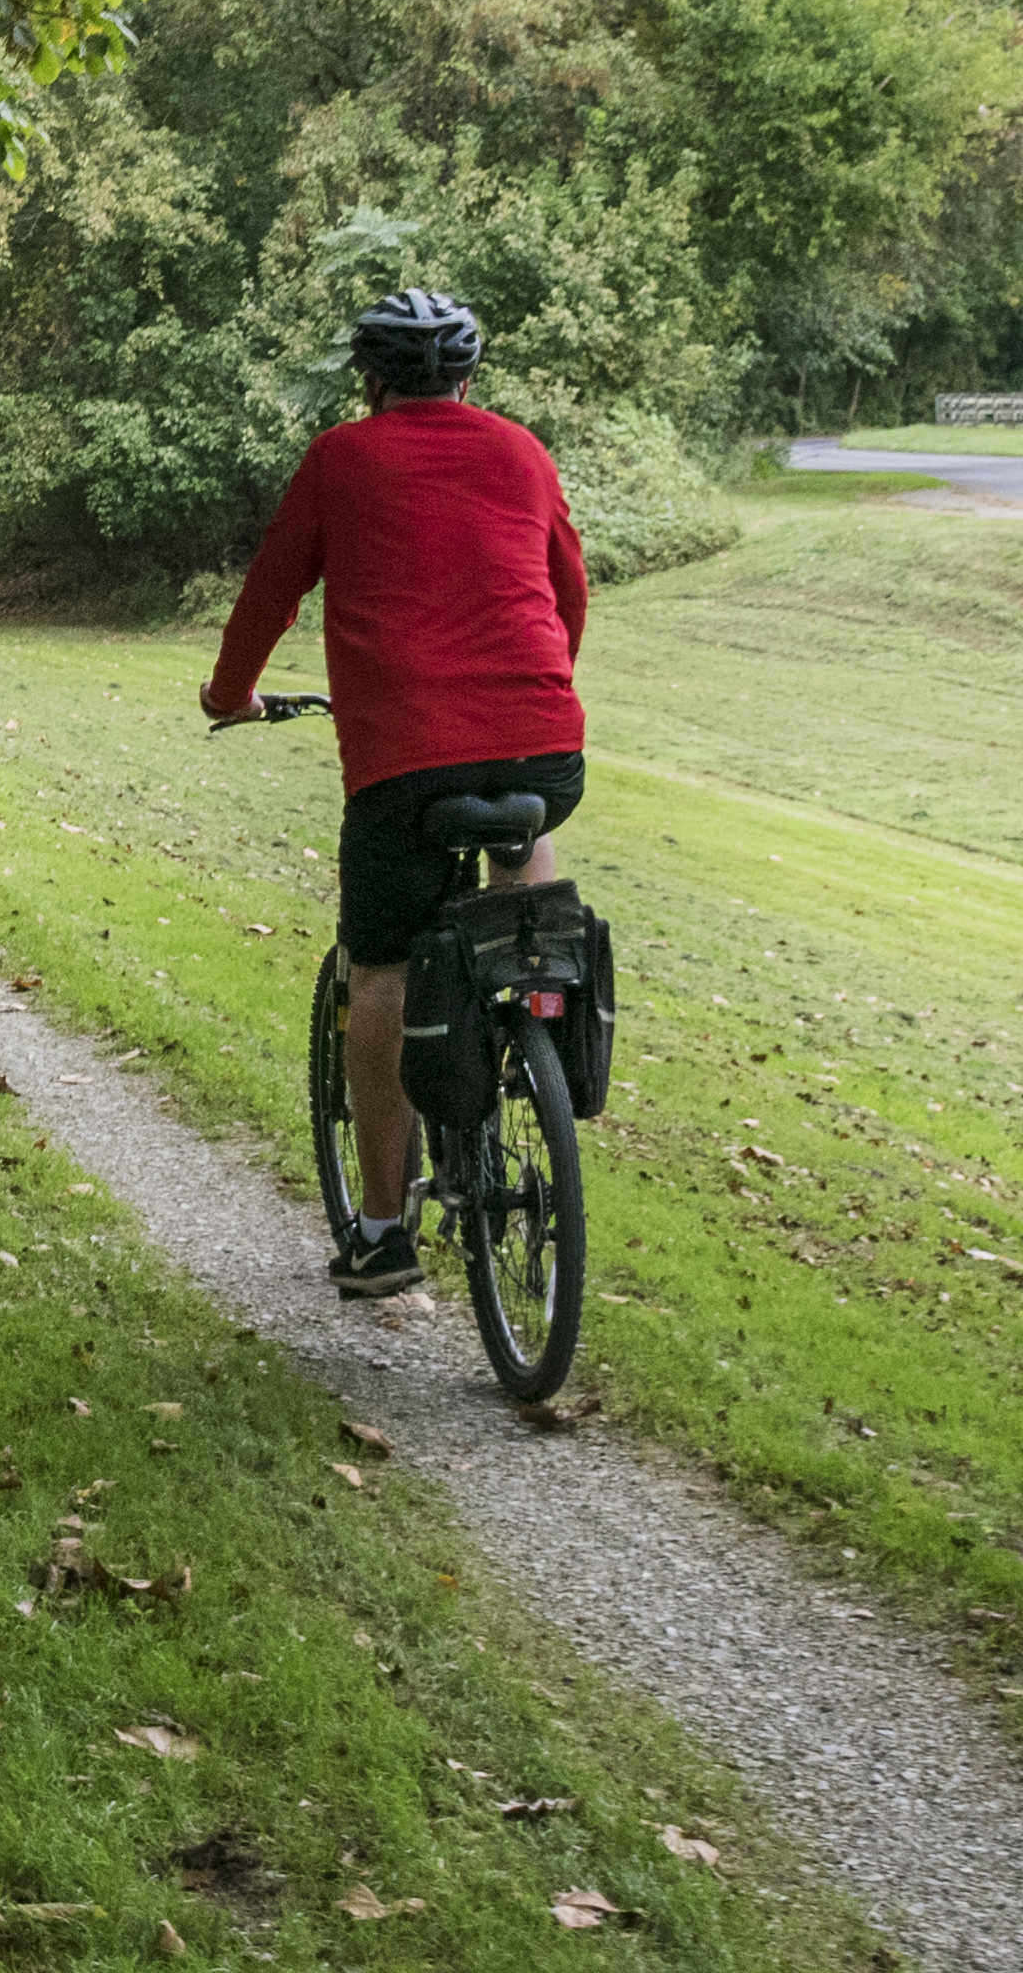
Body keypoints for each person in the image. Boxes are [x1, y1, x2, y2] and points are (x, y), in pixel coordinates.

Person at [200, 287, 586, 1297]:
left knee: (376, 971)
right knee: (525, 853)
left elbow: (272, 589)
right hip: (542, 746)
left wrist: (230, 695)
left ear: (370, 381)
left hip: (407, 763)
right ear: (468, 376)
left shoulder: (341, 458)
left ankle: (382, 1231)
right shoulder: (520, 451)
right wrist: (540, 695)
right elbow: (567, 589)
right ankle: (527, 1005)